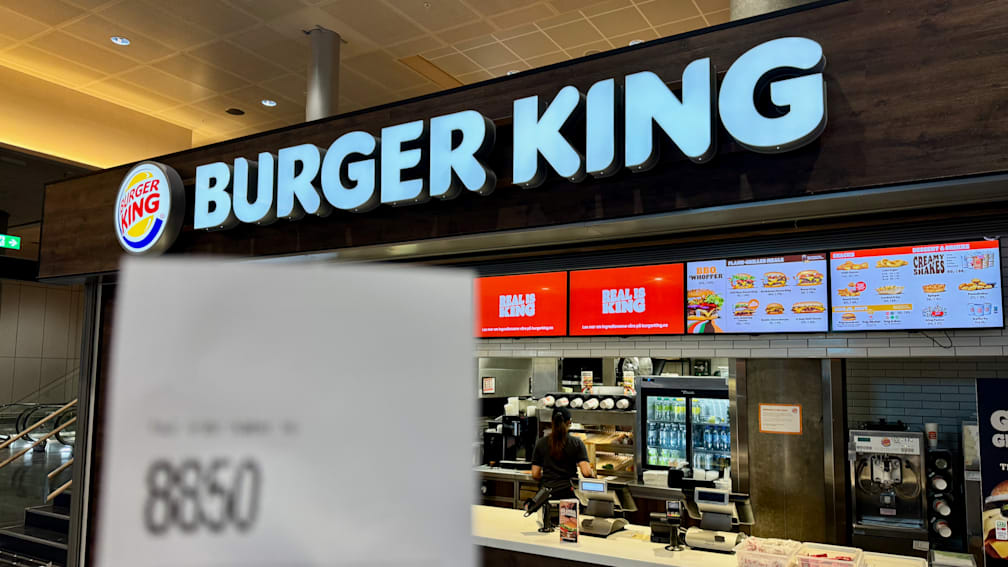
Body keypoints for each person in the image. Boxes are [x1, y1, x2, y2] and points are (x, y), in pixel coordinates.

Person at [531, 407, 594, 499]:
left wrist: (549, 480)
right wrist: (593, 474)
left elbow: (535, 474)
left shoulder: (541, 443)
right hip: (568, 494)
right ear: (569, 422)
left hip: (546, 494)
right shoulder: (576, 443)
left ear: (551, 421)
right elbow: (586, 473)